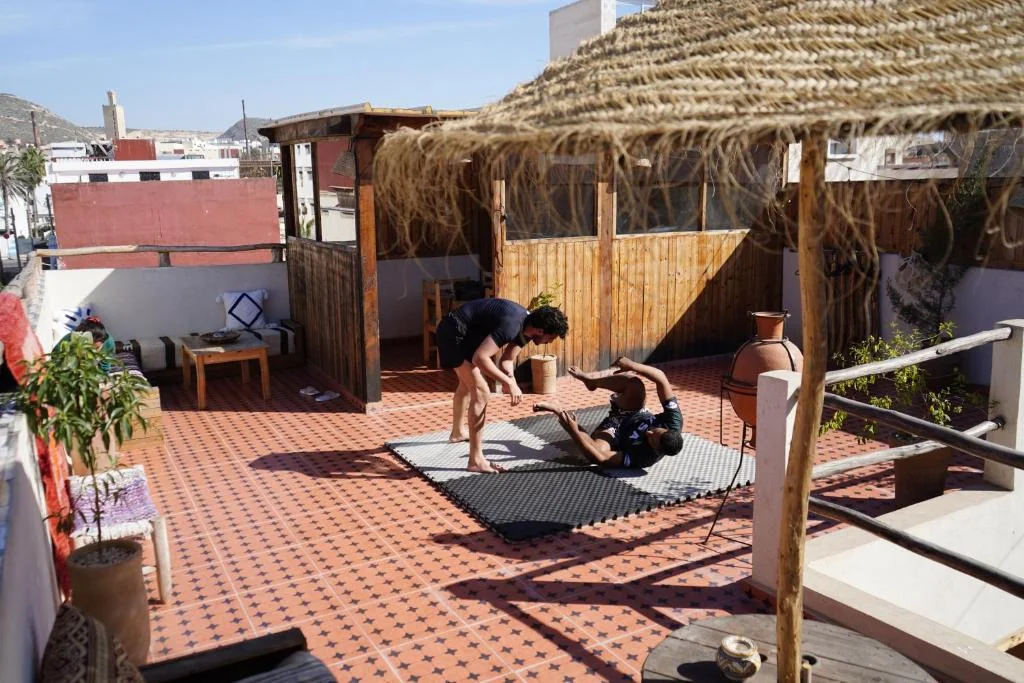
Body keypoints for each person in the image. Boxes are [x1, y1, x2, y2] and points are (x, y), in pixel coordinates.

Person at [436, 298, 569, 473]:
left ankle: (458, 433)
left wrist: (511, 380)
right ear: (540, 330)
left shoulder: (526, 329)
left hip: (468, 333)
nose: (549, 342)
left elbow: (507, 360)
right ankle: (475, 461)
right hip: (452, 331)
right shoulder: (512, 324)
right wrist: (507, 382)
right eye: (550, 338)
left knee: (468, 383)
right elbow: (480, 358)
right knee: (481, 392)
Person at [534, 356, 683, 469]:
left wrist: (574, 431)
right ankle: (591, 382)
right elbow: (661, 379)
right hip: (634, 411)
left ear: (657, 449)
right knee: (635, 384)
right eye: (654, 431)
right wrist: (632, 365)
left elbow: (601, 458)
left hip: (615, 432)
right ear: (666, 428)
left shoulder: (645, 458)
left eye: (651, 439)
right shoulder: (674, 421)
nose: (649, 433)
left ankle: (559, 411)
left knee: (594, 454)